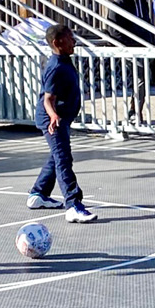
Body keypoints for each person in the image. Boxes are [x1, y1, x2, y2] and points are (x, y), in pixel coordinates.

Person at [26, 23, 97, 223]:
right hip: (52, 120)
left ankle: (39, 193)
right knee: (63, 159)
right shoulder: (56, 67)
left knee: (56, 156)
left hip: (61, 118)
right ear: (57, 42)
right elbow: (48, 99)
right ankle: (73, 205)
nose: (74, 41)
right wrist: (54, 116)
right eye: (69, 38)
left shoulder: (64, 60)